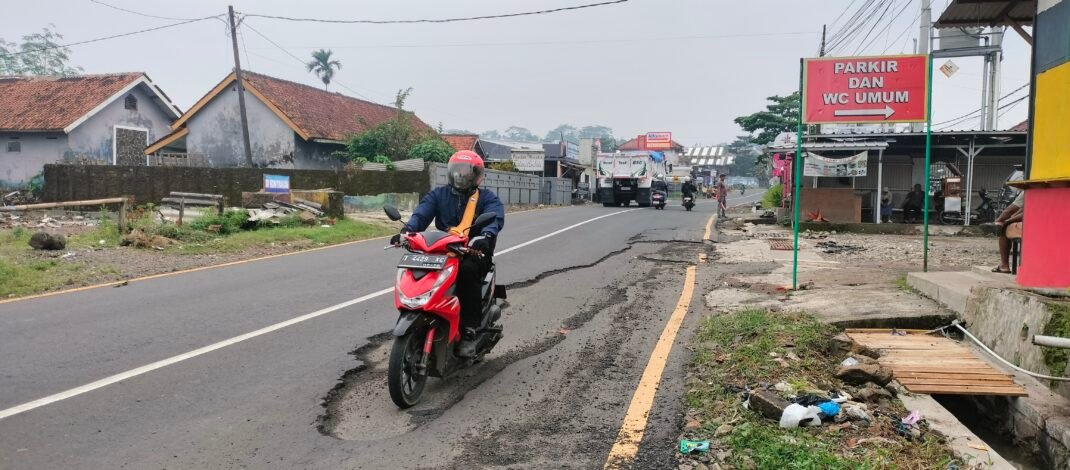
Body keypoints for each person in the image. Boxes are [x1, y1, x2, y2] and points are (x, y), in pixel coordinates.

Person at [395, 150, 505, 356]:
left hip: (473, 252)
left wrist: (485, 237)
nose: (461, 176)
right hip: (442, 251)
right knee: (417, 266)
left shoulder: (486, 198)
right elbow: (422, 213)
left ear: (477, 175)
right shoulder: (439, 194)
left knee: (467, 271)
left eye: (466, 172)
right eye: (458, 171)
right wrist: (406, 232)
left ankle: (470, 330)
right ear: (451, 172)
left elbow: (495, 219)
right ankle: (425, 309)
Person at [992, 190, 1025, 274]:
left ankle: (1004, 265)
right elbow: (1023, 210)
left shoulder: (1030, 189)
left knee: (1004, 228)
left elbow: (1010, 210)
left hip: (1036, 225)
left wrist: (1002, 221)